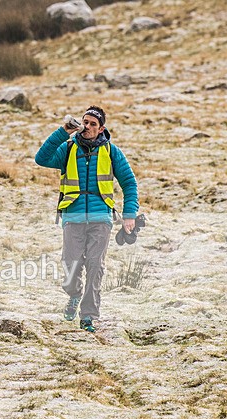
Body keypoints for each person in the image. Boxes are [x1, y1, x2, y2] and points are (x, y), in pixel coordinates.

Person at [35, 106, 138, 333]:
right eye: (85, 122)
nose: (88, 127)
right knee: (70, 264)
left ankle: (89, 315)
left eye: (93, 124)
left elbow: (129, 184)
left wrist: (129, 215)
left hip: (101, 218)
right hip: (73, 216)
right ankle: (74, 295)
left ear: (101, 128)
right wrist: (63, 132)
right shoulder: (68, 148)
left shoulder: (111, 151)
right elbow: (41, 158)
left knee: (95, 265)